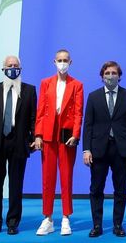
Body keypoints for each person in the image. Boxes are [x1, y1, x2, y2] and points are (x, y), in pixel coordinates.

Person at [0, 55, 38, 235]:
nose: (13, 68)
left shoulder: (29, 90)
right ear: (3, 68)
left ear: (20, 68)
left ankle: (13, 222)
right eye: (9, 65)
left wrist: (35, 138)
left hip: (19, 142)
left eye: (16, 65)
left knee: (16, 185)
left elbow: (33, 119)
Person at [82, 61, 126, 237]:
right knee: (96, 189)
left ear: (119, 76)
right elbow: (88, 126)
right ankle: (97, 225)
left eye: (114, 73)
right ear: (102, 76)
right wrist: (86, 150)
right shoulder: (93, 97)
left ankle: (117, 225)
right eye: (107, 73)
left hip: (121, 150)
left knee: (120, 190)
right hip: (98, 149)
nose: (110, 76)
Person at [33, 49, 84, 236]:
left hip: (66, 137)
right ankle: (47, 218)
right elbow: (40, 111)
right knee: (47, 179)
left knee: (66, 177)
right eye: (59, 60)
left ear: (71, 62)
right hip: (48, 135)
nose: (62, 63)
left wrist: (76, 134)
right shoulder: (45, 83)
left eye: (65, 60)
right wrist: (37, 135)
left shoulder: (77, 85)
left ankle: (65, 217)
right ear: (54, 62)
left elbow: (79, 113)